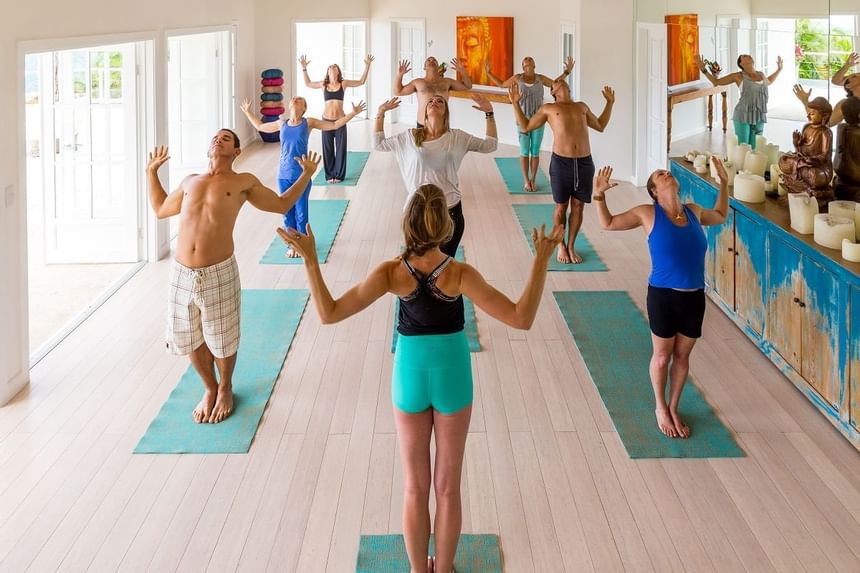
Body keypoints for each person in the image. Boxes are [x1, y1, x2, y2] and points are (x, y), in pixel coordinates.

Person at [277, 183, 563, 573]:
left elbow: (328, 313)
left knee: (415, 487)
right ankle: (442, 569)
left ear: (407, 224)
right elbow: (521, 317)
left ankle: (417, 569)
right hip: (453, 376)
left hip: (409, 376)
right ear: (446, 228)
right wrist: (540, 262)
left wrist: (311, 260)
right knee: (448, 489)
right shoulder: (460, 273)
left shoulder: (391, 273)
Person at [146, 130, 321, 424]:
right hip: (181, 273)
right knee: (189, 337)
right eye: (215, 137)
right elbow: (162, 208)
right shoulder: (190, 182)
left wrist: (306, 175)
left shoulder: (243, 182)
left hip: (218, 271)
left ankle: (225, 386)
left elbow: (280, 205)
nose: (218, 139)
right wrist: (152, 172)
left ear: (237, 151)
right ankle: (209, 387)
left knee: (222, 337)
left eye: (226, 138)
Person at [591, 158, 730, 438]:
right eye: (660, 174)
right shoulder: (647, 213)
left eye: (667, 172)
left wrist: (724, 183)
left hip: (694, 297)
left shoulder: (693, 212)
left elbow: (720, 215)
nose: (667, 173)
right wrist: (599, 194)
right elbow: (607, 223)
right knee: (662, 356)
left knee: (682, 356)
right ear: (654, 190)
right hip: (663, 297)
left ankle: (674, 407)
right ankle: (660, 407)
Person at [240, 96, 366, 257]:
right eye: (294, 99)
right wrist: (247, 112)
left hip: (302, 175)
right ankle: (291, 244)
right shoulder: (282, 123)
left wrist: (353, 114)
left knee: (301, 212)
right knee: (286, 212)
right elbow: (260, 126)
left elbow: (334, 124)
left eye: (299, 99)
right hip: (283, 175)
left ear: (304, 108)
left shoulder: (309, 123)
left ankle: (302, 243)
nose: (295, 99)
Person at [374, 95, 497, 257]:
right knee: (418, 265)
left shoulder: (458, 137)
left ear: (446, 112)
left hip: (450, 210)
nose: (434, 103)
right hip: (417, 210)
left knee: (444, 266)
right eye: (430, 101)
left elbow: (490, 145)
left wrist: (489, 113)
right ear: (424, 112)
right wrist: (380, 113)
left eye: (440, 101)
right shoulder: (409, 137)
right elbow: (379, 144)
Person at [509, 78, 615, 264]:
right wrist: (515, 103)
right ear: (553, 91)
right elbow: (525, 126)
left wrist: (610, 103)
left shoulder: (581, 106)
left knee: (578, 206)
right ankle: (560, 245)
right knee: (561, 206)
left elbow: (600, 125)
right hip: (561, 164)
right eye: (557, 81)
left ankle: (571, 245)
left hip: (584, 163)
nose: (561, 81)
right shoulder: (548, 108)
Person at [486, 56, 574, 191]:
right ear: (523, 66)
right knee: (524, 151)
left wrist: (567, 72)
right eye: (526, 62)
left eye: (530, 61)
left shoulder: (540, 78)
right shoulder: (517, 78)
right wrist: (489, 73)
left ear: (534, 65)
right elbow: (502, 84)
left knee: (535, 151)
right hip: (522, 119)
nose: (528, 63)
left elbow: (556, 83)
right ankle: (526, 181)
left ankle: (533, 179)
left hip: (538, 119)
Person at [299, 53, 374, 183]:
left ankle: (338, 175)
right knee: (327, 148)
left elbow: (361, 82)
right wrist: (304, 68)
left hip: (340, 121)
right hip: (326, 121)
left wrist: (367, 66)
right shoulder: (323, 84)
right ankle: (329, 175)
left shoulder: (343, 84)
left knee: (340, 148)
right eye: (330, 68)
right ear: (328, 72)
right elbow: (308, 83)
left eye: (334, 67)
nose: (332, 69)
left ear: (338, 72)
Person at [696, 54, 784, 149]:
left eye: (749, 55)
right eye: (745, 56)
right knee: (744, 148)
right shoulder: (738, 76)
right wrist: (703, 70)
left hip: (759, 115)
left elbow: (769, 82)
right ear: (741, 63)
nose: (749, 56)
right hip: (742, 114)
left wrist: (779, 70)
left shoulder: (761, 74)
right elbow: (716, 82)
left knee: (756, 148)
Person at [394, 57, 473, 126]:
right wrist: (399, 75)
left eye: (434, 60)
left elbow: (467, 86)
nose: (431, 61)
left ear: (438, 67)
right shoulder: (417, 82)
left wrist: (463, 71)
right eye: (428, 60)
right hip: (422, 125)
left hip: (442, 125)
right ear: (424, 67)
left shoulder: (447, 82)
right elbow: (398, 92)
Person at [793, 71, 859, 127]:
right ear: (849, 86)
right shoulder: (846, 104)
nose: (858, 74)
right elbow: (824, 123)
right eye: (855, 76)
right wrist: (805, 101)